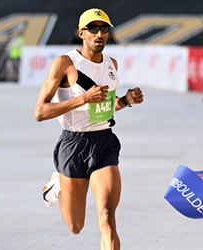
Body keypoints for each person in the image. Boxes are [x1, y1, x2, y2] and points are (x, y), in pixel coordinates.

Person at [34, 8, 144, 250]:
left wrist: (125, 100)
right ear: (81, 33)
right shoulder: (65, 63)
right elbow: (40, 112)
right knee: (75, 226)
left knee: (107, 217)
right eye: (93, 28)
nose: (99, 33)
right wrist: (83, 99)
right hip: (73, 144)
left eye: (104, 29)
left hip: (104, 142)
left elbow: (105, 107)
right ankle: (56, 187)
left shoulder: (111, 64)